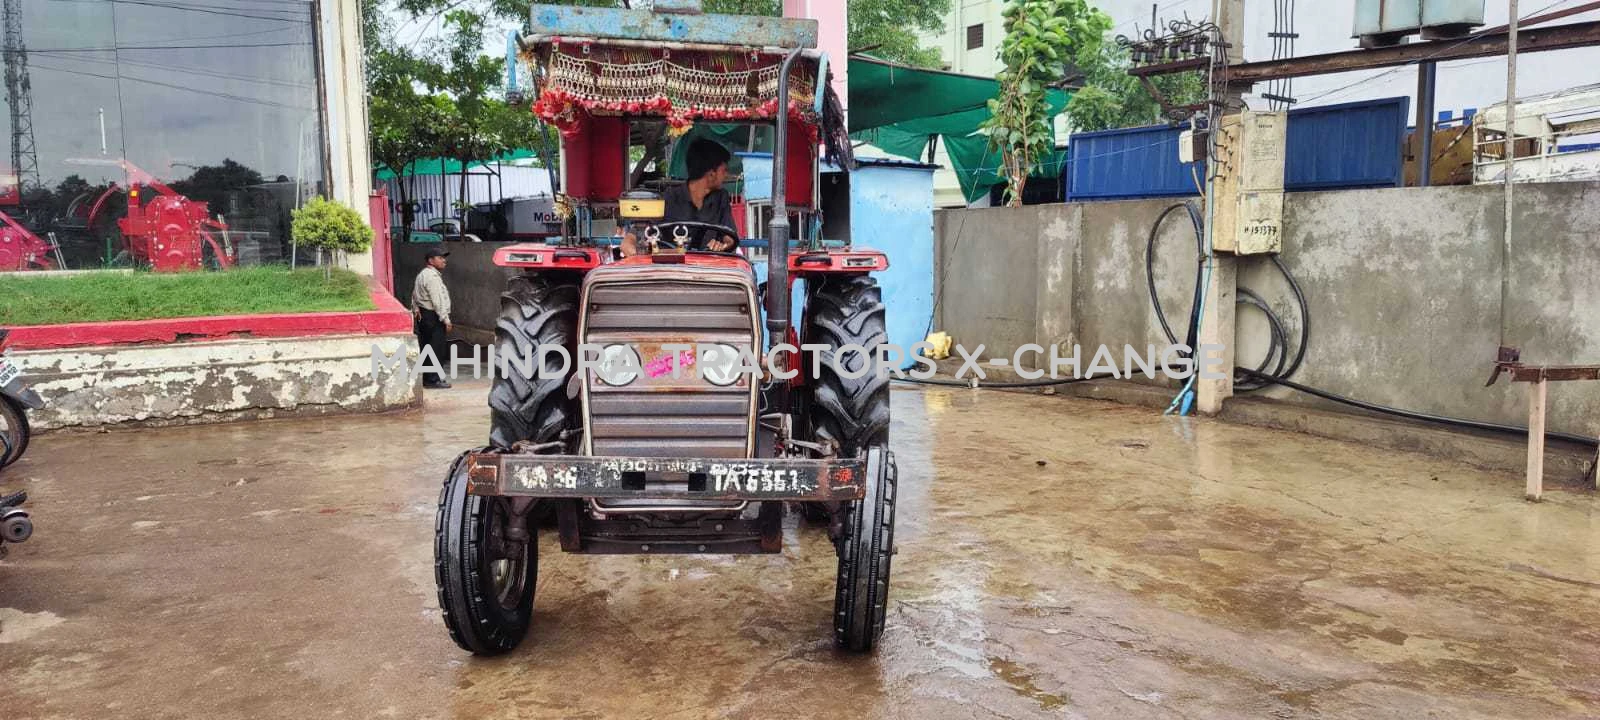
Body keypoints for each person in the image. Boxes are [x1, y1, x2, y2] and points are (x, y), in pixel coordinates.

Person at [622, 138, 739, 257]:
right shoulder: (668, 198)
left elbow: (730, 238)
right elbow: (628, 243)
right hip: (670, 271)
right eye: (724, 170)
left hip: (709, 269)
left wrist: (721, 246)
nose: (726, 175)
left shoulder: (721, 198)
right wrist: (641, 258)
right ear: (711, 174)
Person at [412, 246, 453, 389]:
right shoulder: (432, 277)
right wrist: (445, 319)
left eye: (444, 258)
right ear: (431, 260)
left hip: (425, 315)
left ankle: (428, 378)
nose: (444, 261)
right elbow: (437, 301)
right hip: (433, 317)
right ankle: (432, 380)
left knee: (427, 347)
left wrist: (416, 308)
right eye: (440, 258)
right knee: (436, 348)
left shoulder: (423, 275)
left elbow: (414, 295)